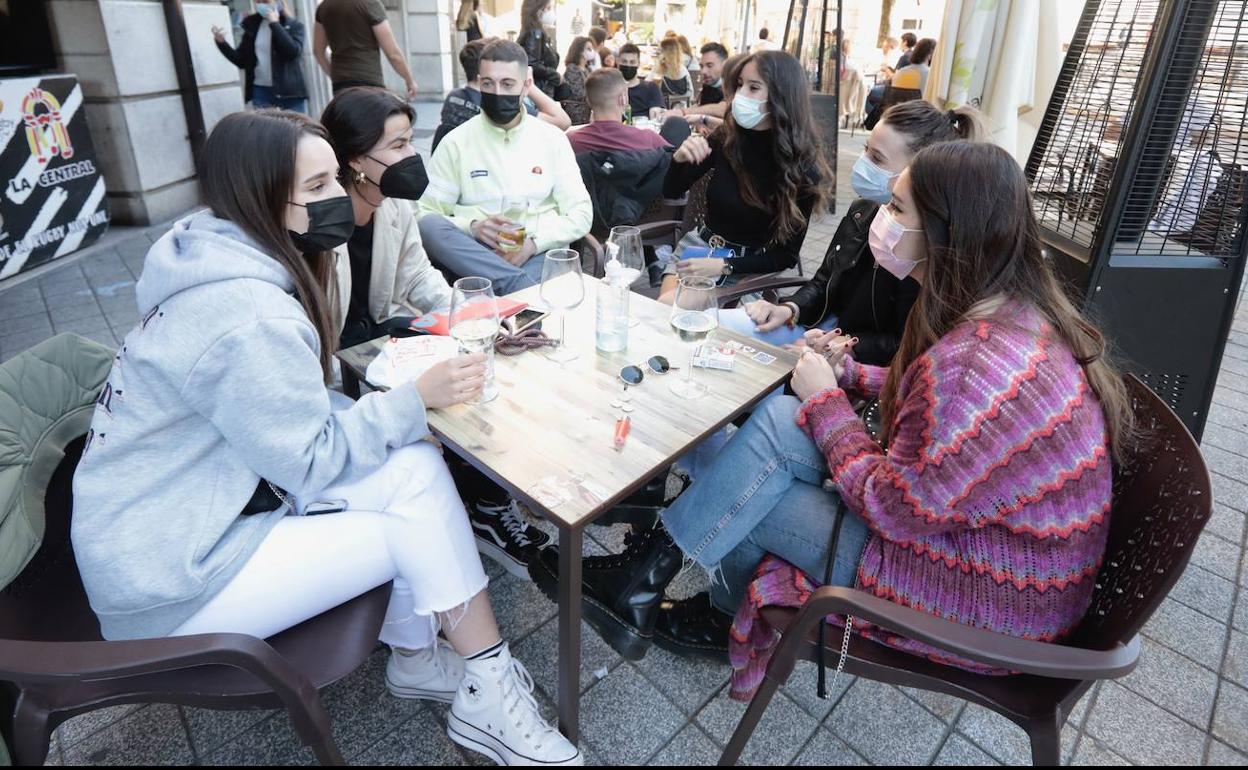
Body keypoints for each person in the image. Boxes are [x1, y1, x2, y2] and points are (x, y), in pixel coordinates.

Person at [70, 109, 581, 766]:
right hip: (171, 581)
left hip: (174, 525)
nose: (335, 198)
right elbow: (310, 461)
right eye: (313, 189)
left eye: (332, 178)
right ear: (259, 198)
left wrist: (401, 421)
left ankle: (428, 663)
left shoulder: (210, 253)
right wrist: (412, 403)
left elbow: (289, 425)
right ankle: (486, 684)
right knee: (414, 524)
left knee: (416, 470)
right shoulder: (247, 313)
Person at [531, 141, 1134, 677]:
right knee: (771, 428)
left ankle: (682, 600)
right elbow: (948, 430)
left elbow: (898, 510)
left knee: (743, 480)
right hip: (999, 558)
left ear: (951, 233)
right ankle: (647, 581)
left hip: (986, 598)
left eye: (897, 209)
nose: (880, 218)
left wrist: (825, 400)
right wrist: (851, 375)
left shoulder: (977, 365)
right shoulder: (1011, 314)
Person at [322, 87, 551, 579]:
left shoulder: (395, 206)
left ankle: (487, 501)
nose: (412, 156)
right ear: (357, 160)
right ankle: (479, 506)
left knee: (480, 369)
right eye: (399, 145)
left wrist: (476, 314)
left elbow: (420, 280)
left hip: (380, 332)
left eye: (410, 140)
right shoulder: (320, 224)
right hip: (334, 353)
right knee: (445, 391)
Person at [721, 100, 985, 360]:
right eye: (865, 149)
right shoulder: (863, 211)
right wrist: (790, 309)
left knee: (769, 399)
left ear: (921, 173)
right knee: (717, 326)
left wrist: (847, 345)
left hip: (855, 360)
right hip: (822, 330)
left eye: (877, 158)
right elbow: (824, 281)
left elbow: (910, 342)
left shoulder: (928, 245)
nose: (862, 164)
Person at [418, 40, 592, 296]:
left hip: (538, 253)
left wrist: (534, 244)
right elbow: (424, 214)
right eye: (488, 84)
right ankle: (521, 292)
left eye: (507, 84)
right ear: (479, 83)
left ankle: (505, 293)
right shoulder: (456, 142)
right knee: (429, 227)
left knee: (499, 285)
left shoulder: (551, 139)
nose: (497, 92)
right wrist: (473, 226)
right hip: (476, 256)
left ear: (526, 85)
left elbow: (581, 212)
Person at [656, 51, 830, 300]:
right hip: (698, 248)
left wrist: (725, 265)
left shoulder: (801, 169)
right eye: (739, 85)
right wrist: (678, 160)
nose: (740, 95)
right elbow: (671, 192)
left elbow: (786, 256)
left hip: (748, 268)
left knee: (668, 309)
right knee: (664, 314)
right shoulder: (726, 139)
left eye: (753, 87)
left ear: (781, 97)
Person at [434, 37, 571, 152]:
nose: (498, 92)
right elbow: (562, 121)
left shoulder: (453, 97)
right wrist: (528, 86)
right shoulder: (502, 105)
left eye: (507, 84)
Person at [212, 1, 308, 113]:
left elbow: (291, 53)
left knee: (297, 129)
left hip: (289, 93)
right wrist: (222, 43)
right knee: (265, 129)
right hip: (261, 90)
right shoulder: (252, 25)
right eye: (258, 1)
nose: (261, 4)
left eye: (265, 1)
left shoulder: (293, 25)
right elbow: (241, 61)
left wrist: (274, 24)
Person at [314, 0, 418, 98]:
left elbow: (318, 51)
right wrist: (409, 80)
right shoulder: (370, 3)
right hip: (368, 81)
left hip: (340, 85)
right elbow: (393, 54)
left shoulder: (324, 7)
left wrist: (334, 74)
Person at [567, 69, 679, 155]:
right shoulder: (648, 140)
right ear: (623, 99)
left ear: (588, 101)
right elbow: (674, 159)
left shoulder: (570, 141)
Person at [519, 0, 561, 99]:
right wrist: (555, 76)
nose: (551, 12)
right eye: (548, 8)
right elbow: (533, 64)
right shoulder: (535, 33)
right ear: (538, 11)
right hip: (540, 90)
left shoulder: (531, 31)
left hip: (538, 89)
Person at [617, 43, 665, 120]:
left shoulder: (651, 88)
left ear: (638, 63)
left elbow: (655, 115)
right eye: (624, 61)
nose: (628, 65)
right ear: (618, 62)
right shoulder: (611, 90)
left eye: (632, 62)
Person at [561, 36, 594, 125]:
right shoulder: (572, 69)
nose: (591, 51)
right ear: (579, 51)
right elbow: (578, 92)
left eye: (591, 49)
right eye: (588, 49)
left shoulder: (588, 70)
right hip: (575, 114)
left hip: (586, 114)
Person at [654, 37, 694, 108]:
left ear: (665, 53)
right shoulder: (683, 70)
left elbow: (648, 83)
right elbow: (691, 94)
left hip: (664, 108)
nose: (658, 54)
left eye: (660, 51)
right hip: (683, 108)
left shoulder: (661, 70)